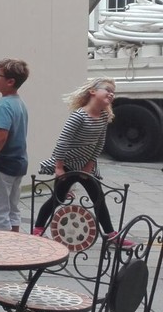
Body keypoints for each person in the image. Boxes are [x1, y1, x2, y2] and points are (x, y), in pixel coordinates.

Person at [32, 77, 131, 245]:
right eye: (107, 90)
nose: (111, 94)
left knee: (98, 198)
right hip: (67, 164)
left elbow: (100, 142)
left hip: (86, 166)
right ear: (93, 92)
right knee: (58, 198)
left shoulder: (103, 116)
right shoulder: (79, 116)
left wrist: (89, 165)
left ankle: (110, 235)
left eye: (113, 92)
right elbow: (63, 141)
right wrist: (59, 167)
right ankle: (38, 229)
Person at [0, 59, 30, 232]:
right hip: (18, 163)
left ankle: (3, 246)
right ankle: (15, 243)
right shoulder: (19, 103)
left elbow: (1, 136)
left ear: (10, 82)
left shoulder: (4, 105)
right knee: (12, 208)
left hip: (2, 165)